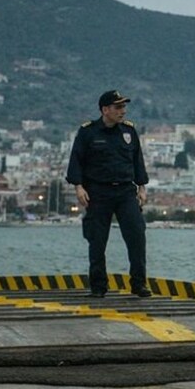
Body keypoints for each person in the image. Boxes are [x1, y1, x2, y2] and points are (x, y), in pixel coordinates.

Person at [65, 90, 150, 298]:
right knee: (97, 240)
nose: (123, 111)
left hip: (125, 192)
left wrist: (142, 187)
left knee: (137, 236)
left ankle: (139, 284)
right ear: (105, 110)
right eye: (118, 107)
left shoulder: (129, 132)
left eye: (124, 107)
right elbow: (76, 160)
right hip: (98, 192)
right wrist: (78, 186)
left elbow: (137, 159)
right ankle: (98, 286)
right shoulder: (88, 132)